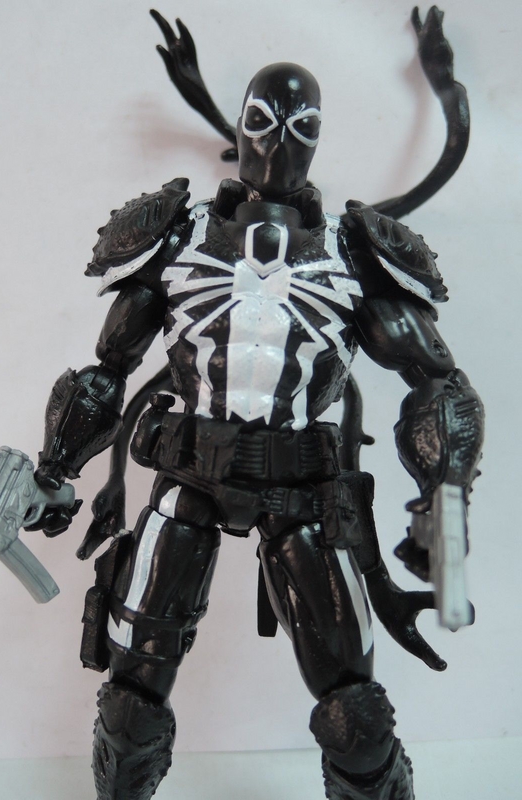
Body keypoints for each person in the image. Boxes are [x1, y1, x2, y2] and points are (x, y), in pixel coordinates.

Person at [31, 61, 483, 800]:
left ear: (319, 140)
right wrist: (54, 469)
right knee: (131, 704)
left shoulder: (353, 253)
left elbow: (436, 381)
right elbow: (107, 369)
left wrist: (445, 490)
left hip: (302, 488)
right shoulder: (175, 237)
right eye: (262, 124)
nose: (278, 146)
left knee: (356, 715)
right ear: (240, 132)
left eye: (302, 128)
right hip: (189, 478)